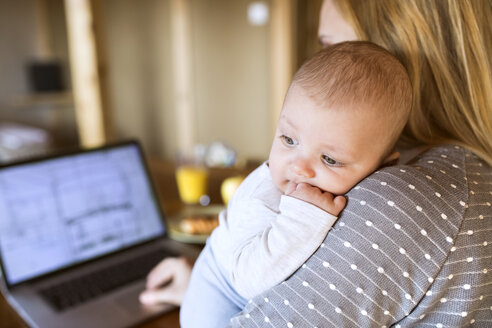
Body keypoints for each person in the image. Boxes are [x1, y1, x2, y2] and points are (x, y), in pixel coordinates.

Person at [140, 0, 492, 326]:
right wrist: (212, 280)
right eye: (289, 139)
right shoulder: (463, 172)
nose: (301, 167)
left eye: (331, 47)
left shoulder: (398, 203)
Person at [180, 41, 412, 328]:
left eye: (329, 159)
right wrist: (302, 220)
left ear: (384, 166)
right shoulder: (264, 197)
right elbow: (249, 282)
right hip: (219, 290)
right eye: (289, 140)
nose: (299, 166)